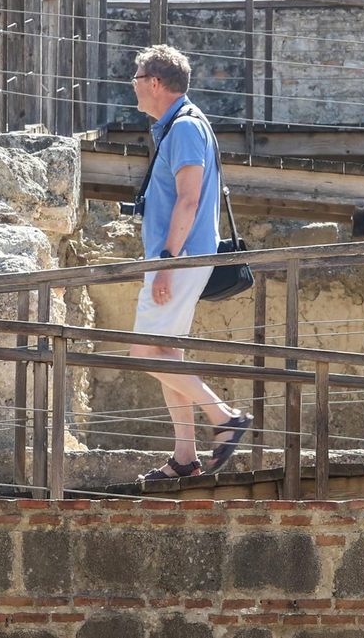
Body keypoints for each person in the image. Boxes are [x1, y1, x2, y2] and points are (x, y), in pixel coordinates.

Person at [126, 45, 251, 482]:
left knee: (143, 352)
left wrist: (164, 263)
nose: (134, 86)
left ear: (155, 83)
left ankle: (225, 417)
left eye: (137, 78)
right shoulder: (183, 125)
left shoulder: (182, 128)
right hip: (182, 257)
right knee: (166, 354)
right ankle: (185, 457)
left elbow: (190, 198)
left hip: (178, 259)